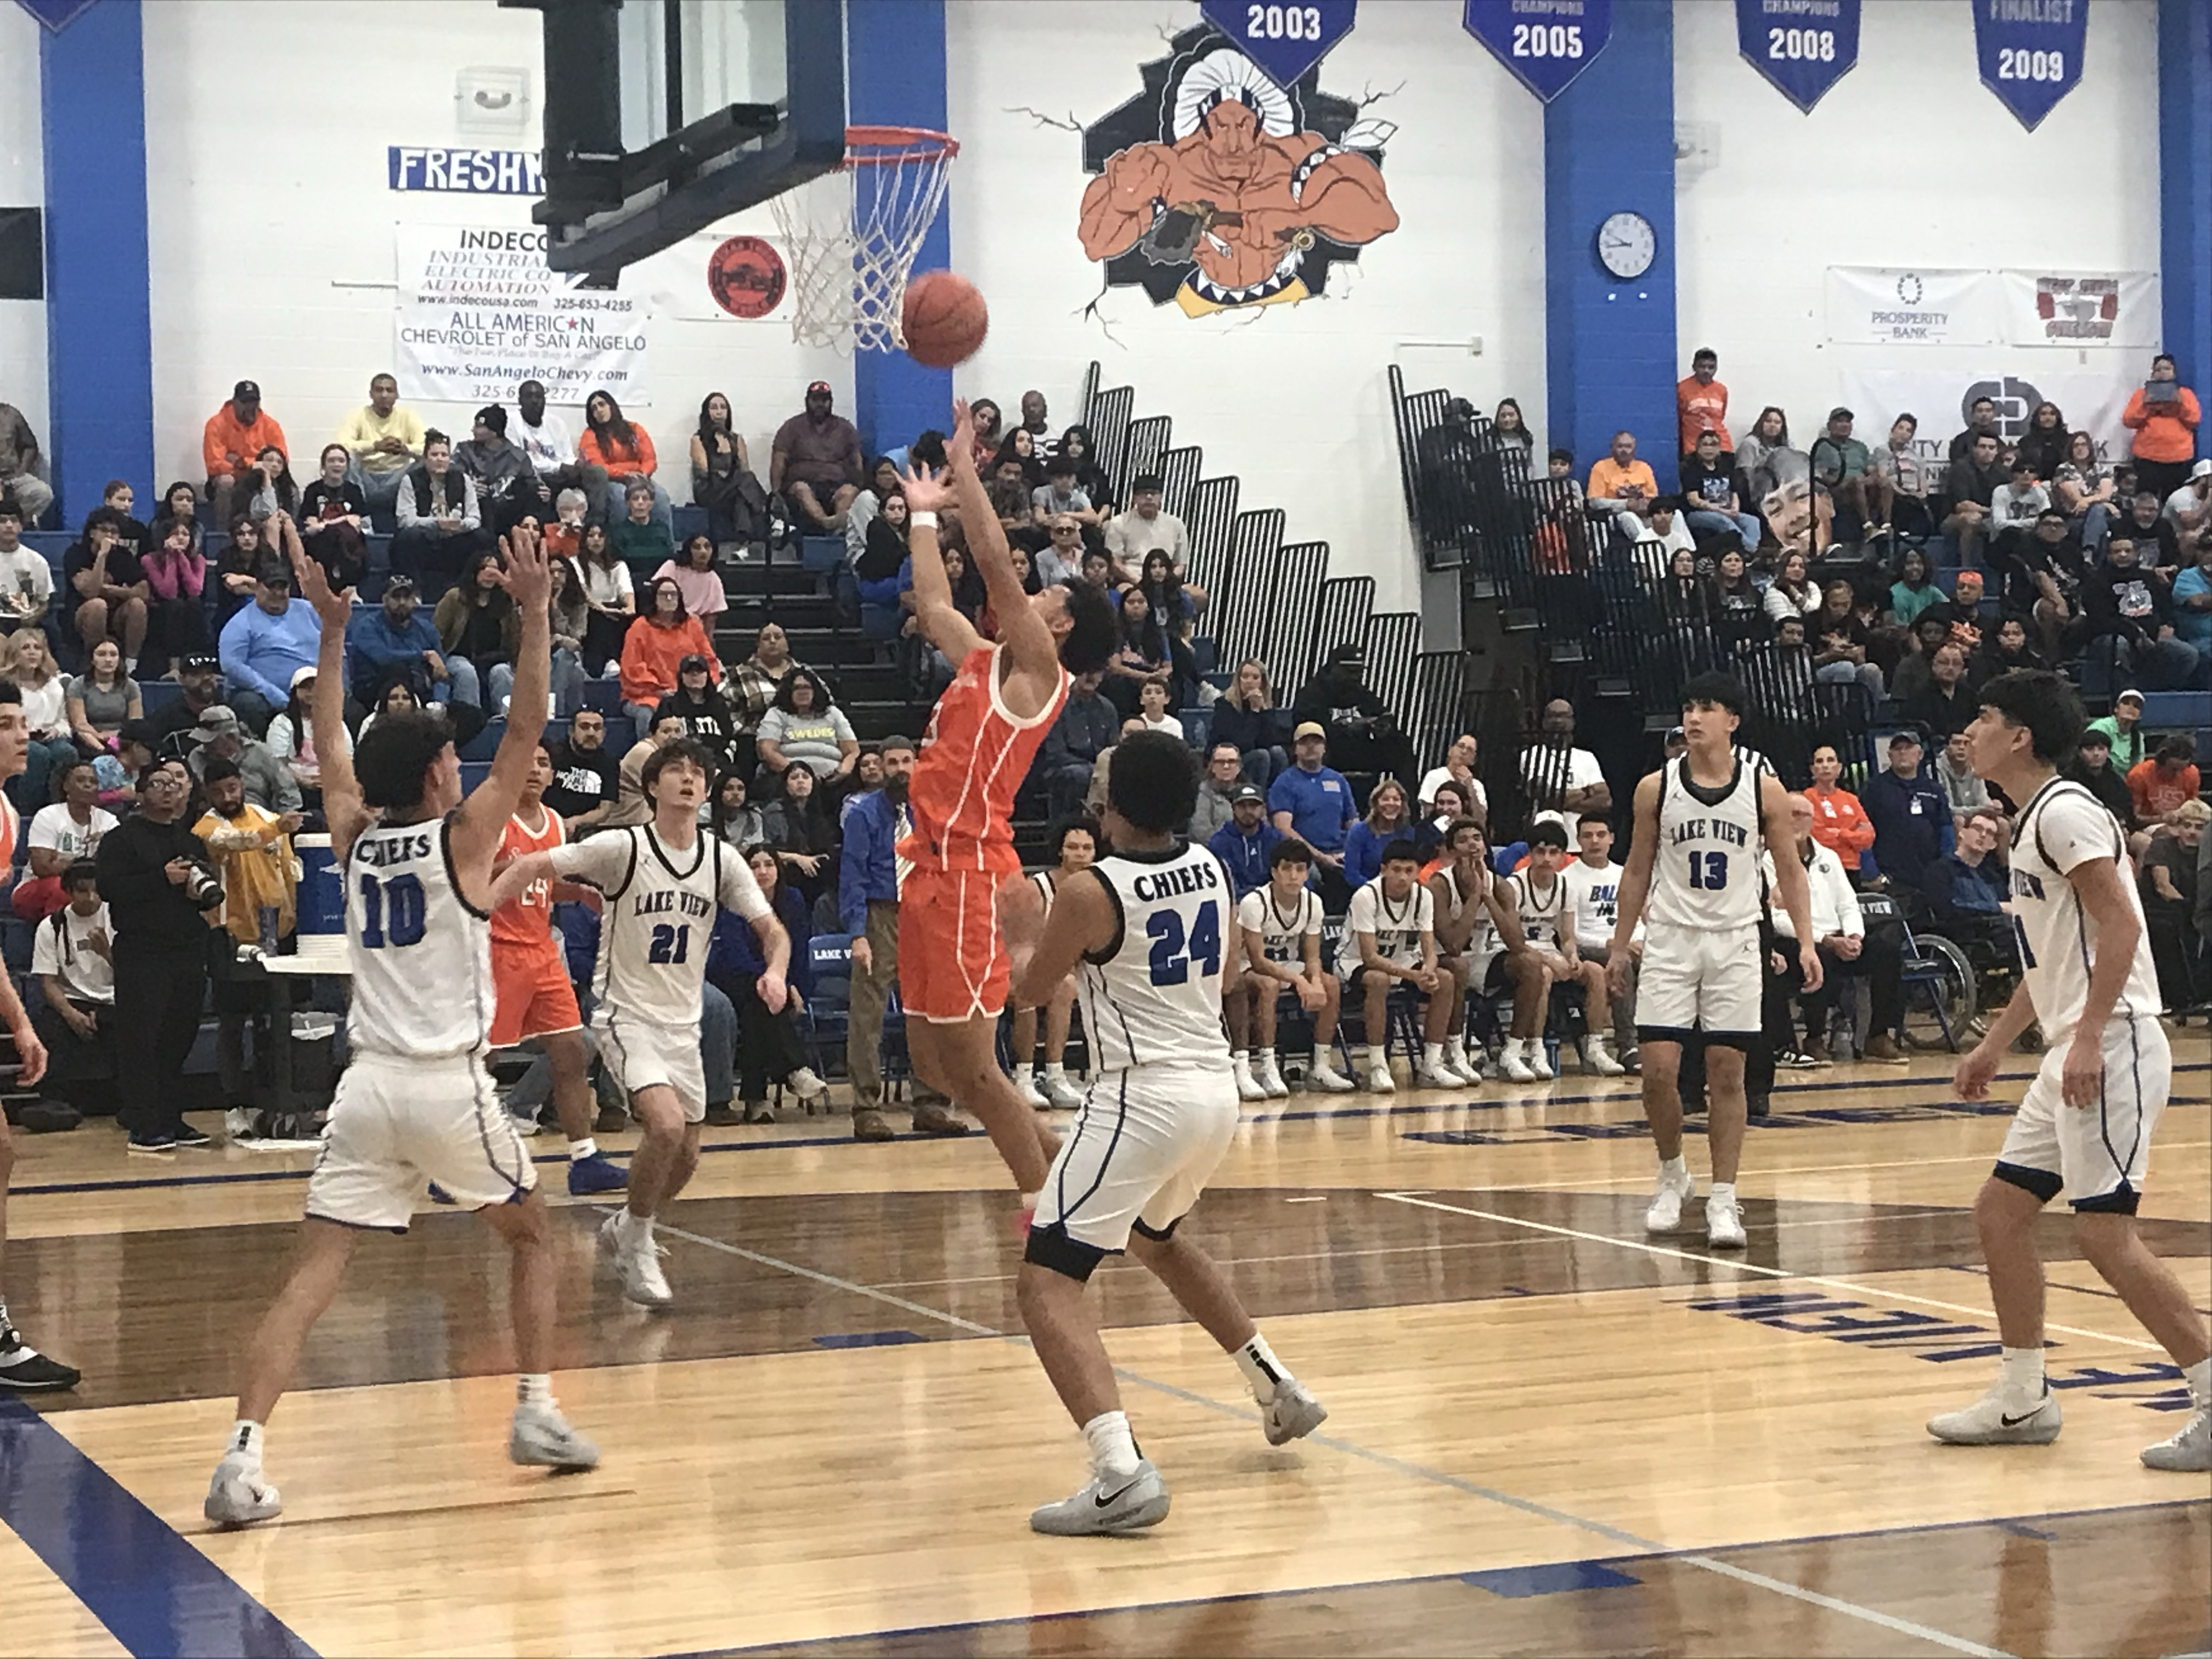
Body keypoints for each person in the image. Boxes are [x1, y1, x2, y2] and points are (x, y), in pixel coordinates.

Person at [205, 520, 597, 1527]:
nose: (464, 770)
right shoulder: (466, 839)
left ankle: (241, 1454)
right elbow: (523, 731)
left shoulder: (352, 829)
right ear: (435, 775)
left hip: (365, 1085)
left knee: (315, 1270)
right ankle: (536, 1408)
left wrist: (331, 635)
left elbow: (329, 741)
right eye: (450, 763)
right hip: (445, 1079)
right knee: (533, 1237)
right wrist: (539, 610)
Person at [1007, 730, 1327, 1536]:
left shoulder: (1088, 891)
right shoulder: (1214, 867)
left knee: (1047, 1283)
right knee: (1159, 1240)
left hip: (1139, 1095)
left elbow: (1030, 990)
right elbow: (1219, 975)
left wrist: (1016, 928)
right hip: (1215, 1090)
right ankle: (1277, 1386)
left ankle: (1119, 1472)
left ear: (1110, 806)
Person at [1927, 669, 2209, 1472]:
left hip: (2112, 1042)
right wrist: (1995, 1043)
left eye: (1983, 715)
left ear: (2020, 735)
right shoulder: (2030, 821)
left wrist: (2085, 1036)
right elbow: (2057, 954)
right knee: (1999, 1214)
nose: (1969, 730)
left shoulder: (2067, 814)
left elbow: (2122, 927)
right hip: (2074, 1046)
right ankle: (2023, 1398)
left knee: (2103, 1233)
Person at [891, 399, 1121, 1199]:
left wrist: (965, 468)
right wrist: (925, 517)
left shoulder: (1039, 676)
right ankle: (1062, 1158)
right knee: (931, 1063)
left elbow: (992, 560)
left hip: (966, 873)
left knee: (973, 1066)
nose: (1038, 595)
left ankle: (1044, 1210)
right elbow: (934, 608)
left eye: (1049, 599)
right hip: (922, 869)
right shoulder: (986, 661)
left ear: (1058, 627)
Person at [494, 737, 788, 1307]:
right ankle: (641, 1240)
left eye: (696, 772)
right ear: (652, 787)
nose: (687, 779)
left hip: (684, 1022)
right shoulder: (623, 847)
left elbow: (772, 929)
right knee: (666, 1127)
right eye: (675, 770)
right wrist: (482, 900)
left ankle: (628, 1227)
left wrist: (776, 970)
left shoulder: (721, 858)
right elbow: (534, 863)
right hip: (627, 1015)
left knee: (687, 1157)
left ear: (706, 790)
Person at [1607, 673, 1817, 1251]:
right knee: (1657, 1073)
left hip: (1736, 939)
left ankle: (1725, 1195)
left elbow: (1790, 871)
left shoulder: (1763, 789)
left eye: (1707, 708)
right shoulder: (1655, 787)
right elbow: (1637, 869)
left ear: (1733, 721)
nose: (1694, 718)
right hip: (1673, 937)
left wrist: (1803, 940)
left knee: (1728, 1072)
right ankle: (1673, 1172)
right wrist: (1622, 943)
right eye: (1689, 706)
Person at [487, 744, 628, 1195]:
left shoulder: (553, 824)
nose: (533, 767)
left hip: (543, 950)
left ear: (552, 776)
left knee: (572, 1050)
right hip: (497, 950)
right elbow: (470, 877)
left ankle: (584, 1158)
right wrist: (516, 867)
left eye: (543, 762)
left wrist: (580, 893)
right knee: (480, 1061)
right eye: (526, 759)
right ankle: (462, 1160)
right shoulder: (492, 819)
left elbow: (543, 887)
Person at [0, 684, 70, 1390]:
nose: (22, 736)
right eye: (5, 725)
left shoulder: (6, 813)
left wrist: (20, 1021)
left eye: (24, 723)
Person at [839, 735, 960, 1142]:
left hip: (925, 912)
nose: (900, 770)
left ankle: (931, 1101)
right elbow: (851, 876)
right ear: (881, 768)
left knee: (926, 1011)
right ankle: (866, 1106)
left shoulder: (931, 813)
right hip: (880, 912)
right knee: (868, 1013)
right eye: (892, 763)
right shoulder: (864, 814)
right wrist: (857, 934)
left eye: (907, 761)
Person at [93, 758, 215, 1153]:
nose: (168, 790)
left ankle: (170, 1116)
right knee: (142, 1039)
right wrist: (160, 879)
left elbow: (201, 894)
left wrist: (199, 896)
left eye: (175, 784)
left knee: (179, 1036)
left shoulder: (190, 840)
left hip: (186, 949)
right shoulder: (121, 839)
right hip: (143, 951)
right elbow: (110, 888)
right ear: (141, 793)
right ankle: (143, 1123)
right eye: (158, 783)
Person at [1231, 838, 1355, 1099]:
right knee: (1270, 984)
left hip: (1287, 965)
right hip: (1247, 969)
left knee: (1330, 984)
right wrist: (1300, 982)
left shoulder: (1313, 903)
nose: (1294, 876)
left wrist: (1316, 982)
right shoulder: (1255, 902)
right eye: (1287, 869)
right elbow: (1257, 960)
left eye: (1300, 869)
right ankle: (1268, 1067)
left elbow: (1311, 956)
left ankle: (1321, 1066)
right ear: (1274, 872)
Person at [1500, 819, 1623, 1080]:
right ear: (1530, 854)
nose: (1546, 859)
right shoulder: (1514, 886)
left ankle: (1595, 1048)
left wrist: (1573, 957)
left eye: (1553, 852)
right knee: (1542, 973)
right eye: (1540, 852)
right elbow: (1515, 942)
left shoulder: (1566, 886)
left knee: (1595, 972)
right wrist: (1550, 960)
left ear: (1562, 856)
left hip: (1548, 951)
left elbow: (1567, 937)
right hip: (1510, 955)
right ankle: (1536, 1049)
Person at [1339, 839, 1461, 1093]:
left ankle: (1432, 1064)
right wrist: (1412, 975)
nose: (1403, 878)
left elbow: (1429, 947)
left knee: (1445, 979)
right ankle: (1377, 1066)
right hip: (1353, 963)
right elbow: (1370, 956)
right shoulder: (1366, 896)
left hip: (1401, 961)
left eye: (1409, 871)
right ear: (1383, 869)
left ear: (1418, 872)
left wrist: (1428, 968)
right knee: (1378, 980)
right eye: (1396, 870)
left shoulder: (1423, 896)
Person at [1760, 792, 1866, 1066]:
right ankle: (1814, 1038)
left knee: (1887, 951)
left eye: (1801, 815)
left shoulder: (1829, 857)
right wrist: (1824, 939)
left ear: (1812, 820)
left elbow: (1849, 904)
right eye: (1789, 814)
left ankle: (1878, 1036)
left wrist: (1854, 936)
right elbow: (1774, 915)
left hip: (1836, 936)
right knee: (1819, 956)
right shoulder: (1765, 858)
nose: (1794, 821)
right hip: (1792, 938)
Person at [1008, 817, 1098, 1112]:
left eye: (1087, 848)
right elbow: (1022, 949)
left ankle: (1056, 1075)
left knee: (1068, 985)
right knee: (1039, 985)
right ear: (1060, 851)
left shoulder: (1099, 887)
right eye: (1072, 847)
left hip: (1079, 972)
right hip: (1029, 967)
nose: (1080, 854)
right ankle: (1024, 1075)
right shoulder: (1038, 888)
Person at [1560, 815, 1640, 1071]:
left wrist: (1638, 940)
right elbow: (1570, 933)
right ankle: (1629, 1045)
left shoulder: (1624, 874)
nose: (1595, 841)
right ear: (1579, 839)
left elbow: (1642, 916)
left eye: (1601, 835)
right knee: (1622, 963)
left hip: (1627, 942)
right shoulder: (1567, 878)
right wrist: (1613, 944)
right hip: (1589, 946)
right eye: (1588, 835)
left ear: (1612, 839)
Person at [217, 555, 320, 736]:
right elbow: (231, 664)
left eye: (283, 587)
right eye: (271, 587)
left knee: (352, 707)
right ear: (257, 588)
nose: (278, 593)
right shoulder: (240, 622)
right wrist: (274, 695)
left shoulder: (308, 610)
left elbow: (334, 645)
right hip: (268, 697)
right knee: (248, 703)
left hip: (315, 690)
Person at [1268, 722, 1356, 910]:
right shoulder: (1285, 782)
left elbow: (1352, 821)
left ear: (1324, 748)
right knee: (1311, 877)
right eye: (1304, 742)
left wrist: (1351, 850)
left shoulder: (1338, 780)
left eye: (1316, 742)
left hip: (1340, 852)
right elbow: (1283, 828)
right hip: (1304, 856)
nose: (1310, 746)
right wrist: (1320, 856)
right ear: (1295, 749)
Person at [619, 577, 719, 742]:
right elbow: (633, 667)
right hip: (648, 695)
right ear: (654, 598)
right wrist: (661, 690)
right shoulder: (640, 627)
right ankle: (651, 759)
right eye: (664, 594)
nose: (669, 598)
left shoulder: (692, 625)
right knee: (649, 713)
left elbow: (708, 661)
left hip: (690, 692)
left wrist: (701, 686)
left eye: (673, 594)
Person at [16, 761, 118, 921]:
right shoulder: (48, 816)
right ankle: (56, 938)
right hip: (34, 889)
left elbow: (117, 867)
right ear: (66, 786)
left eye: (93, 782)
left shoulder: (109, 821)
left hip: (88, 888)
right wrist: (92, 862)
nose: (87, 785)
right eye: (81, 780)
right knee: (62, 888)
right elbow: (42, 868)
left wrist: (63, 862)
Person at [391, 431, 493, 589]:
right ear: (425, 459)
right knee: (406, 538)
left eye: (444, 455)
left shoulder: (462, 479)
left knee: (482, 538)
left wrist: (459, 525)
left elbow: (475, 518)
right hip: (426, 539)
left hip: (455, 539)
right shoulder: (410, 480)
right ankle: (413, 589)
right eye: (435, 455)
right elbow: (405, 520)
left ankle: (466, 588)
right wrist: (437, 523)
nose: (440, 459)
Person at [1863, 730, 1954, 896]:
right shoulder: (1875, 789)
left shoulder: (1934, 789)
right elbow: (1863, 832)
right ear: (1889, 755)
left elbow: (1946, 830)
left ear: (1920, 754)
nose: (1903, 753)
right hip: (1892, 879)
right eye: (1897, 749)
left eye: (1908, 748)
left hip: (1931, 876)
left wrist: (1946, 868)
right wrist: (1872, 873)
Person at [433, 550, 521, 714]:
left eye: (495, 569)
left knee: (502, 673)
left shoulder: (506, 603)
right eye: (484, 568)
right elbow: (437, 632)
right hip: (456, 656)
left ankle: (506, 720)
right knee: (467, 672)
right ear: (474, 571)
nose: (490, 573)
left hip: (493, 659)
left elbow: (514, 639)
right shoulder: (455, 597)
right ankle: (471, 720)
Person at [64, 506, 149, 672]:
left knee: (137, 605)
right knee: (97, 605)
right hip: (81, 616)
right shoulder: (75, 553)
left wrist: (113, 590)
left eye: (114, 532)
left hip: (116, 616)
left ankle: (131, 664)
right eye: (104, 530)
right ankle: (94, 661)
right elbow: (91, 593)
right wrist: (102, 556)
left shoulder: (124, 556)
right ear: (92, 533)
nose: (109, 536)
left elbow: (144, 592)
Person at [771, 381, 864, 533]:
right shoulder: (792, 427)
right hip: (802, 486)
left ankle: (838, 525)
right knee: (802, 489)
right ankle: (826, 523)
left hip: (836, 485)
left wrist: (857, 484)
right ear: (807, 401)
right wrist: (776, 493)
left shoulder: (845, 428)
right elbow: (779, 460)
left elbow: (857, 462)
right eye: (815, 400)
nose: (820, 404)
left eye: (824, 400)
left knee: (849, 491)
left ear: (831, 402)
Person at [333, 373, 425, 518]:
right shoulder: (358, 415)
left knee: (427, 461)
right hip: (365, 477)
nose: (384, 395)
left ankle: (409, 517)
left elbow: (425, 447)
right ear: (371, 394)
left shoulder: (408, 416)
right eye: (379, 390)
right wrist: (376, 446)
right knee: (344, 458)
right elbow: (341, 446)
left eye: (389, 391)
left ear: (397, 395)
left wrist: (405, 449)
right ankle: (362, 516)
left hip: (398, 477)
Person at [1519, 698, 1610, 839]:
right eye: (1553, 716)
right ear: (1544, 722)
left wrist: (1561, 802)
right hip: (1547, 841)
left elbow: (1605, 801)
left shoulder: (1587, 757)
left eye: (1563, 716)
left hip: (1580, 841)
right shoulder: (1532, 755)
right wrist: (1585, 793)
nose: (1558, 721)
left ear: (1572, 722)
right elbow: (1543, 795)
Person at [203, 381, 287, 533]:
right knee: (225, 482)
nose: (250, 407)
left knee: (289, 487)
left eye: (254, 402)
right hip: (233, 478)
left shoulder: (271, 426)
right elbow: (214, 464)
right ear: (234, 402)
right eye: (245, 402)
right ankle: (224, 534)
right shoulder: (216, 424)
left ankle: (282, 532)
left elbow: (282, 459)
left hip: (260, 477)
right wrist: (253, 463)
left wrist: (242, 462)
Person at [2120, 353, 2202, 504]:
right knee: (2145, 502)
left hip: (2178, 461)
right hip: (2148, 461)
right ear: (2152, 373)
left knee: (2177, 503)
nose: (2162, 372)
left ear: (2174, 372)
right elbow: (2128, 421)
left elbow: (2194, 420)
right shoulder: (2141, 395)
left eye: (2167, 368)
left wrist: (2180, 405)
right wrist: (2145, 406)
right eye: (2158, 369)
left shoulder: (2185, 394)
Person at [756, 668, 857, 787]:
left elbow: (852, 751)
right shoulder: (776, 714)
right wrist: (797, 774)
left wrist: (843, 771)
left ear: (815, 691)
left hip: (832, 780)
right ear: (788, 692)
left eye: (807, 687)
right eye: (797, 688)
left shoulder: (833, 713)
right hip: (791, 778)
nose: (802, 692)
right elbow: (767, 750)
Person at [1679, 427, 1758, 553]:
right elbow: (1694, 500)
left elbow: (1734, 492)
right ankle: (1752, 550)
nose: (1709, 449)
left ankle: (1751, 551)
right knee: (1724, 522)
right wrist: (1722, 511)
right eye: (1705, 445)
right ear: (1698, 448)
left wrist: (1735, 509)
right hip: (1699, 513)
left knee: (1752, 521)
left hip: (1726, 510)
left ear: (1719, 449)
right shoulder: (1691, 470)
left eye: (1713, 445)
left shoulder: (1726, 467)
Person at [1102, 471, 1189, 585]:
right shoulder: (1119, 523)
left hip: (1166, 580)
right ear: (1134, 498)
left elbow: (1180, 565)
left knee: (1198, 595)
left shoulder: (1176, 524)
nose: (1149, 497)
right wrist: (1140, 581)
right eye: (1143, 493)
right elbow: (1116, 563)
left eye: (1154, 493)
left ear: (1161, 497)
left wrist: (1167, 581)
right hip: (1131, 580)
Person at [544, 708, 621, 833]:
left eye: (597, 728)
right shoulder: (553, 756)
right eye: (584, 727)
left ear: (604, 733)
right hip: (549, 824)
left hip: (586, 830)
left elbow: (605, 809)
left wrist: (575, 822)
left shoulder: (609, 763)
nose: (591, 733)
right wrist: (555, 823)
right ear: (571, 731)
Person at [1342, 776, 1414, 891]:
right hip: (1366, 893)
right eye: (1385, 799)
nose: (1391, 803)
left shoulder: (1408, 833)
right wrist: (1379, 890)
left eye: (1396, 799)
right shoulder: (1359, 832)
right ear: (1375, 804)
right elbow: (1352, 875)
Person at [0, 504, 52, 637]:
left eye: (14, 520)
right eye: (3, 520)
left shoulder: (37, 562)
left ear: (21, 526)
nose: (9, 525)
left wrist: (32, 619)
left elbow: (44, 603)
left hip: (24, 623)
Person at [2126, 736, 2200, 828]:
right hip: (2149, 827)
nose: (2178, 774)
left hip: (2182, 825)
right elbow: (2134, 818)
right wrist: (2162, 819)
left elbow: (2194, 807)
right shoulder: (2139, 775)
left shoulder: (2192, 773)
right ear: (2160, 763)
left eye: (2182, 769)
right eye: (2173, 769)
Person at [1416, 732, 1487, 824]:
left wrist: (1470, 786)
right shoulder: (1435, 776)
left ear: (1473, 759)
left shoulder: (1477, 785)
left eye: (1470, 750)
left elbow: (1481, 821)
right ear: (1450, 750)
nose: (1464, 752)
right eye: (1461, 746)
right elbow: (1428, 813)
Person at [0, 400, 52, 524]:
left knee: (43, 493)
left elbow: (30, 446)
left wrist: (21, 471)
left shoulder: (11, 414)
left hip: (13, 476)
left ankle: (16, 522)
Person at [1587, 430, 1658, 519]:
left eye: (1628, 447)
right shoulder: (1601, 467)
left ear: (1634, 449)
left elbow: (1654, 498)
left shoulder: (1644, 467)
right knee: (1629, 517)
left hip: (1644, 513)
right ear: (1612, 449)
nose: (1624, 451)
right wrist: (1626, 505)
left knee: (1676, 515)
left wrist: (1642, 505)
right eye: (1620, 447)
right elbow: (1594, 502)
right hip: (1616, 515)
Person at [1675, 347, 1731, 454]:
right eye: (1702, 367)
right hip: (1693, 446)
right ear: (1694, 367)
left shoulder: (1722, 390)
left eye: (1711, 367)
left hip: (1722, 445)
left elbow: (1721, 416)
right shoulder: (1682, 388)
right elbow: (1678, 418)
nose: (1707, 371)